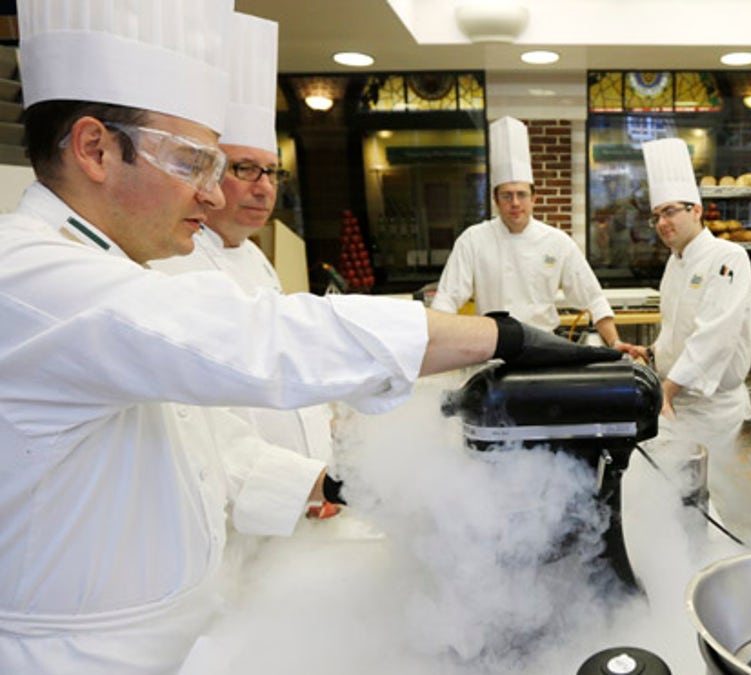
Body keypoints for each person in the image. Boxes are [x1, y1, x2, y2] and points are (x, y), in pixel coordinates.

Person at [0, 2, 616, 672]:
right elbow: (258, 339)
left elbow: (208, 440)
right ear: (94, 148)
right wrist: (500, 335)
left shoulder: (115, 268)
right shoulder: (26, 276)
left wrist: (331, 480)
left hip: (191, 636)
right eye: (191, 163)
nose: (210, 197)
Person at [150, 14, 344, 534]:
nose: (264, 188)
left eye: (272, 171)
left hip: (302, 508)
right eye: (244, 169)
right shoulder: (168, 262)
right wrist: (310, 482)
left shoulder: (254, 255)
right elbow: (205, 430)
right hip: (240, 522)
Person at [620, 137, 751, 518]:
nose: (662, 223)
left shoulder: (729, 258)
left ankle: (709, 570)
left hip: (712, 410)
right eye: (656, 215)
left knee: (708, 502)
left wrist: (667, 388)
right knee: (674, 498)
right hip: (675, 403)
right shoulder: (674, 263)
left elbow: (715, 335)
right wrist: (650, 354)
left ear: (696, 210)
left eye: (670, 212)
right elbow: (677, 331)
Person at [432, 116, 622, 347]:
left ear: (534, 198)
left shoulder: (557, 242)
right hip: (491, 346)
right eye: (506, 195)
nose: (515, 202)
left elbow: (593, 298)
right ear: (495, 199)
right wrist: (434, 342)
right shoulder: (473, 239)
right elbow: (447, 298)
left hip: (543, 344)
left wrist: (615, 343)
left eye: (521, 194)